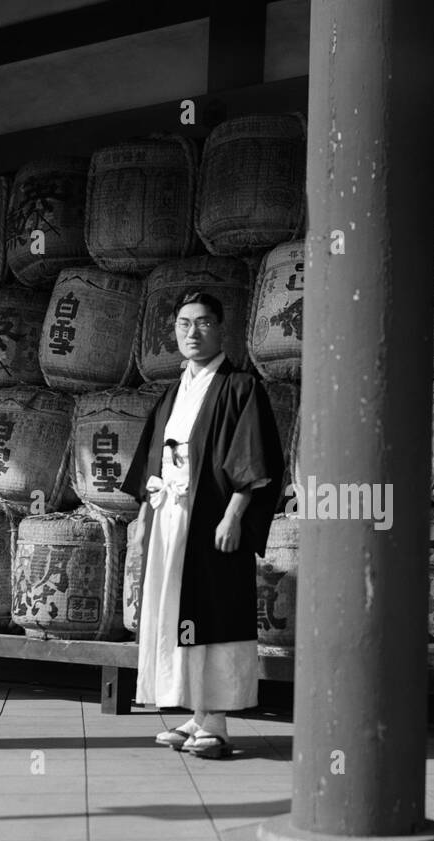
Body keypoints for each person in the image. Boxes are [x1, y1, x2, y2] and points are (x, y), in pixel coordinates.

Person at [121, 291, 286, 758]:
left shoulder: (241, 388)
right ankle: (193, 714)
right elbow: (153, 460)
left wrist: (235, 514)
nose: (192, 334)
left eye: (203, 324)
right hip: (169, 517)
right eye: (183, 324)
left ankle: (216, 721)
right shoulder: (173, 392)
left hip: (212, 519)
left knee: (211, 614)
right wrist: (142, 518)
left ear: (221, 329)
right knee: (174, 612)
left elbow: (253, 458)